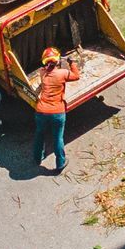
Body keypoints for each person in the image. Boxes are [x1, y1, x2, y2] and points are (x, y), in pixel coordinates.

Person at [33, 44, 82, 174]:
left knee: (39, 135)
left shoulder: (42, 73)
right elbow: (76, 76)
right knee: (57, 138)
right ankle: (60, 163)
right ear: (58, 60)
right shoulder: (63, 73)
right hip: (57, 112)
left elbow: (47, 70)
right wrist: (72, 63)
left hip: (41, 111)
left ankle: (37, 158)